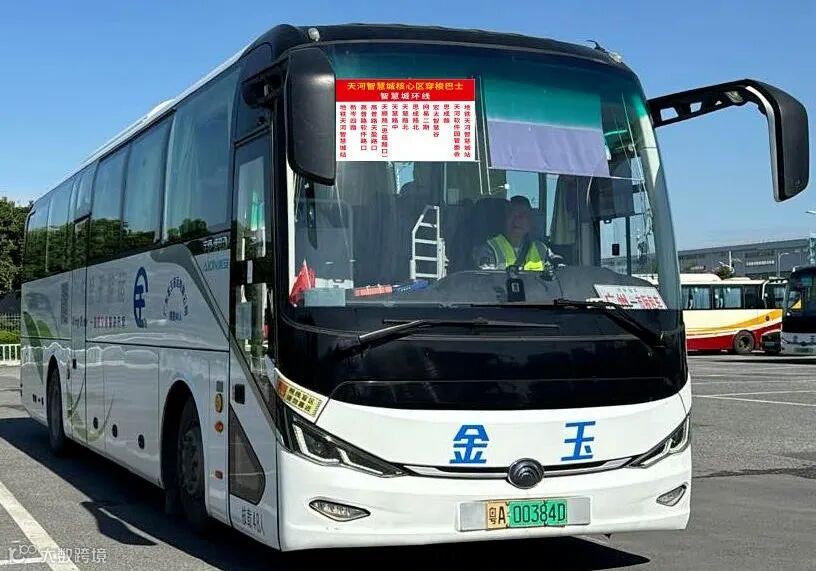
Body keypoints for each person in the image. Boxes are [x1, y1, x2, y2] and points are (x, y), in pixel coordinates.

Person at [473, 195, 555, 271]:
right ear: (504, 219)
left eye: (523, 215)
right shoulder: (488, 249)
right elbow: (487, 279)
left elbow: (556, 272)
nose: (517, 220)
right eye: (513, 214)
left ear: (530, 222)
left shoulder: (541, 249)